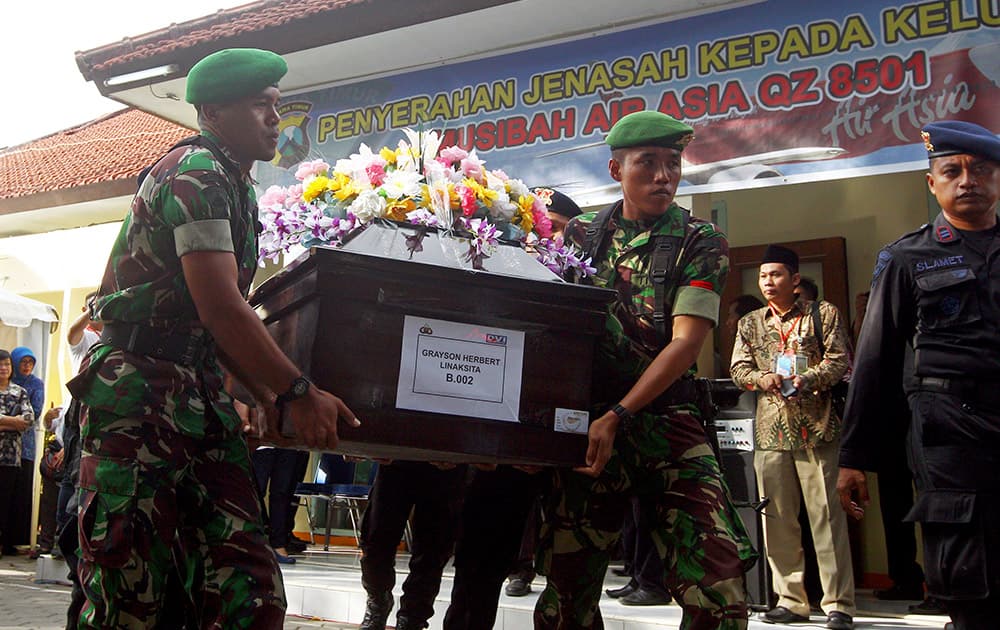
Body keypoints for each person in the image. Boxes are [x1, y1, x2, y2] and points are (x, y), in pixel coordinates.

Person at [65, 48, 358, 628]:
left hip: (196, 395)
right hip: (136, 397)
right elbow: (222, 308)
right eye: (260, 106)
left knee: (247, 591)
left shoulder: (239, 189)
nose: (277, 118)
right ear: (215, 112)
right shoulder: (193, 172)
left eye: (278, 105)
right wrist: (295, 390)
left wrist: (264, 393)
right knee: (129, 592)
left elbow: (217, 324)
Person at [534, 110, 756, 629]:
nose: (664, 175)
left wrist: (618, 414)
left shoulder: (701, 240)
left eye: (673, 163)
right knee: (568, 595)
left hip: (666, 419)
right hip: (588, 428)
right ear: (616, 169)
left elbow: (685, 344)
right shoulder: (582, 236)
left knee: (718, 589)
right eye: (647, 163)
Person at [837, 120, 1000, 630]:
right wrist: (854, 458)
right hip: (948, 433)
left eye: (981, 170)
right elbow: (873, 360)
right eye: (951, 170)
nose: (967, 180)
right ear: (932, 183)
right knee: (966, 576)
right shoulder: (908, 257)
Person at [730, 244, 855, 630]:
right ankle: (791, 599)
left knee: (826, 518)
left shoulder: (823, 313)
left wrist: (809, 377)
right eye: (764, 276)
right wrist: (759, 378)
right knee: (777, 519)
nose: (768, 282)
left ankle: (838, 603)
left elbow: (839, 361)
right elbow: (738, 366)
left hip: (817, 428)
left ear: (795, 279)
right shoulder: (750, 323)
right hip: (770, 431)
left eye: (777, 275)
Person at [358, 460, 466, 630]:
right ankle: (378, 601)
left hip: (446, 464)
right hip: (396, 458)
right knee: (375, 542)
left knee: (431, 552)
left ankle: (412, 618)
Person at [0, 349, 34, 557]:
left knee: (5, 502)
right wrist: (14, 422)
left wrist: (2, 421)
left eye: (6, 365)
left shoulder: (20, 391)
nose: (3, 369)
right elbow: (20, 422)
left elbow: (28, 421)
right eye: (0, 365)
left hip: (10, 456)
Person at [11, 346, 44, 549]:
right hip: (4, 447)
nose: (26, 366)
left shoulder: (35, 384)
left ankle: (18, 539)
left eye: (30, 362)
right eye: (23, 362)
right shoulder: (8, 382)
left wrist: (8, 421)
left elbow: (34, 413)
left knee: (21, 492)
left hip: (26, 446)